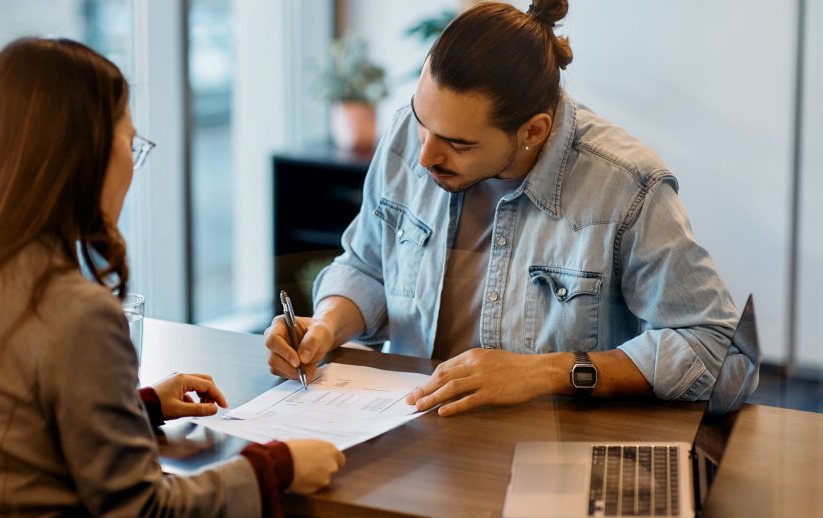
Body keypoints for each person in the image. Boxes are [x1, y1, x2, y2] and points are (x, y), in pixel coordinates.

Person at [0, 37, 343, 517]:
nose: (132, 168)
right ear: (85, 155)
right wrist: (274, 466)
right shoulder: (74, 312)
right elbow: (142, 510)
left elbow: (9, 438)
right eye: (130, 142)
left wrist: (133, 408)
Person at [264, 1, 739, 417]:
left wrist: (546, 373)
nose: (425, 154)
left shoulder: (626, 185)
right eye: (421, 120)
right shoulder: (410, 136)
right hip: (407, 429)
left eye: (457, 143)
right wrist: (326, 325)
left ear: (533, 131)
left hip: (551, 448)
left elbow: (716, 348)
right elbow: (368, 267)